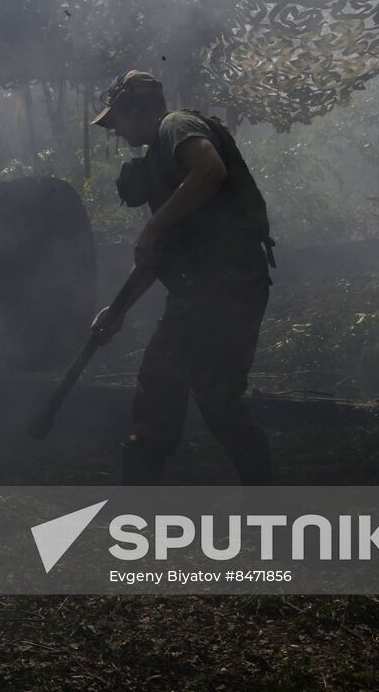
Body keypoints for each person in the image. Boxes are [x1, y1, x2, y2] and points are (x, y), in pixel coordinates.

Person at [90, 70, 275, 486]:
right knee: (217, 398)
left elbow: (210, 168)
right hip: (219, 288)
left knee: (161, 381)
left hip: (223, 285)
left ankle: (135, 508)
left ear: (134, 110)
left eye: (117, 120)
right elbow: (161, 255)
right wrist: (117, 311)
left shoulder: (176, 127)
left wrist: (154, 226)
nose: (116, 132)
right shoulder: (164, 166)